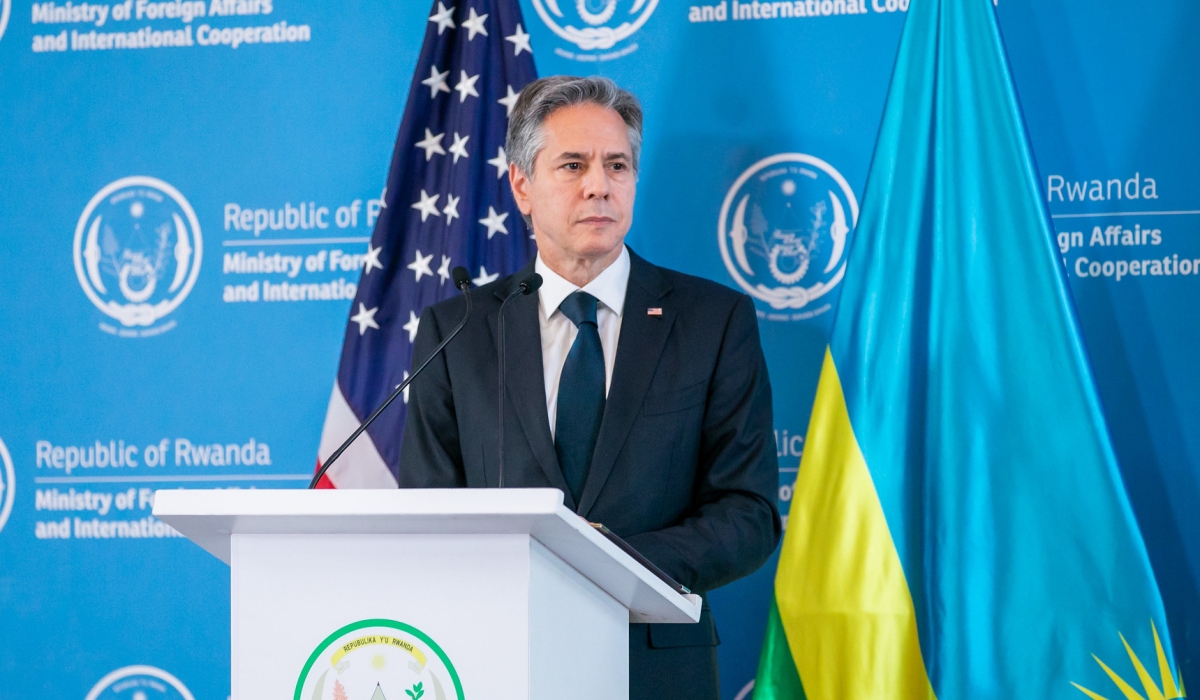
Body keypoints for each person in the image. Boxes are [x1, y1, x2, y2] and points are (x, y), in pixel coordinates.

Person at [399, 75, 781, 700]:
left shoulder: (713, 321)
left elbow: (749, 513)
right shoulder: (458, 330)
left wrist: (612, 563)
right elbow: (428, 513)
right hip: (499, 661)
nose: (599, 184)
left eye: (617, 165)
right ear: (522, 185)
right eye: (572, 164)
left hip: (654, 668)